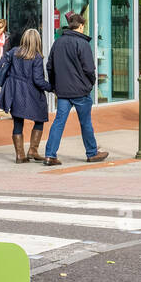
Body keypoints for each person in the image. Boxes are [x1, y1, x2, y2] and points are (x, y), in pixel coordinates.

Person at [43, 11, 109, 166]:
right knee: (85, 122)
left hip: (63, 90)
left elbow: (50, 66)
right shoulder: (82, 43)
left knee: (59, 122)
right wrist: (91, 83)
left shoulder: (58, 42)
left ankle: (49, 154)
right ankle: (92, 152)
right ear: (81, 26)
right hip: (80, 90)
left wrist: (54, 85)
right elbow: (89, 68)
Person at [0, 27, 50, 164]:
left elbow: (2, 65)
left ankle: (20, 155)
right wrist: (51, 88)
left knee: (18, 122)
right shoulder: (36, 57)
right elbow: (38, 80)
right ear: (38, 41)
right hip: (30, 92)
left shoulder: (14, 52)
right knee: (40, 118)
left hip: (14, 91)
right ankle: (33, 150)